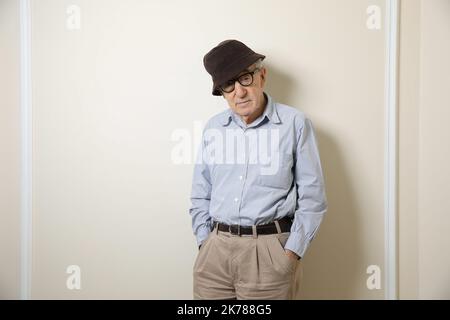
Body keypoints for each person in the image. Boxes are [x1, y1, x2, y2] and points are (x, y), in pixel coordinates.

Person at [189, 39, 327, 299]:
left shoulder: (295, 124)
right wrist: (204, 242)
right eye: (228, 85)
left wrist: (291, 252)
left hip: (269, 256)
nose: (239, 92)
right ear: (222, 91)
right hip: (214, 256)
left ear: (261, 75)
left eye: (244, 78)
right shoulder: (213, 128)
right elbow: (200, 193)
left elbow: (313, 199)